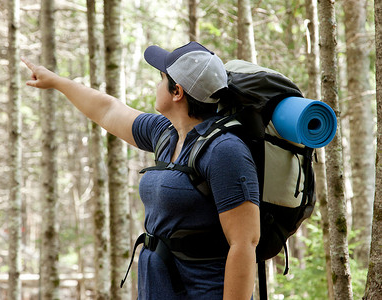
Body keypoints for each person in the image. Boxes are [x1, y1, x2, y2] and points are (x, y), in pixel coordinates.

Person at [22, 41, 260, 300]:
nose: (157, 85)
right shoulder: (166, 133)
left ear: (176, 92)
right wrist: (56, 81)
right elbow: (109, 109)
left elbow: (245, 243)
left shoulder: (225, 150)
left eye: (161, 79)